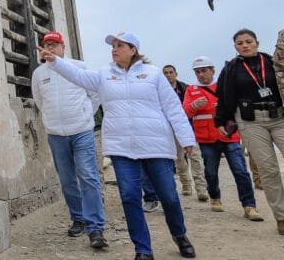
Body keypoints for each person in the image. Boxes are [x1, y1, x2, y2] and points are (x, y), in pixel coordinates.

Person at [39, 31, 197, 260]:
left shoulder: (152, 74)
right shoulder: (104, 75)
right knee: (130, 197)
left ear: (133, 50)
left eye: (120, 45)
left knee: (169, 196)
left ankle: (179, 234)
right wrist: (55, 61)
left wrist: (187, 138)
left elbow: (173, 108)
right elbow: (77, 76)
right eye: (113, 45)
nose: (114, 49)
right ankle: (143, 250)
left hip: (155, 146)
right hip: (122, 148)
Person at [31, 31, 107, 249]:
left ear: (63, 47)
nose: (50, 48)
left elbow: (95, 94)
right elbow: (39, 100)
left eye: (55, 44)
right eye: (47, 45)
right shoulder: (39, 74)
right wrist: (50, 119)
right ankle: (79, 219)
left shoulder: (79, 67)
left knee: (88, 176)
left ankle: (95, 227)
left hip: (81, 131)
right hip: (56, 135)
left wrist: (85, 114)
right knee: (67, 180)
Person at [215, 28, 284, 235]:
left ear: (257, 42)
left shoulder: (273, 62)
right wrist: (221, 120)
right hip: (250, 121)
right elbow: (223, 96)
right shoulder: (231, 69)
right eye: (239, 43)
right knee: (269, 169)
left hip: (279, 117)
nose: (244, 45)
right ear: (235, 47)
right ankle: (281, 217)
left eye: (248, 41)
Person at [182, 56, 263, 220]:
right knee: (210, 172)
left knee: (240, 171)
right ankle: (215, 198)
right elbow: (184, 112)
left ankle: (249, 206)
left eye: (204, 70)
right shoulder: (191, 90)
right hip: (206, 139)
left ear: (212, 70)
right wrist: (193, 105)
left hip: (229, 136)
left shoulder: (224, 86)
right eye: (197, 72)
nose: (201, 74)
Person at [163, 65, 208, 201]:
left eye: (171, 72)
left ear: (176, 73)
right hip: (171, 128)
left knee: (195, 157)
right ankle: (186, 184)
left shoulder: (186, 88)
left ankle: (201, 188)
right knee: (179, 159)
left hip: (188, 126)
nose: (168, 75)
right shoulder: (161, 90)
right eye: (165, 73)